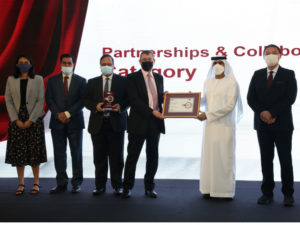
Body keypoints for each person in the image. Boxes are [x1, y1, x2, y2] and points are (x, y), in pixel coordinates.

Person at [247, 44, 297, 207]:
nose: (271, 55)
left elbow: (290, 98)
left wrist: (272, 113)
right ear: (263, 56)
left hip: (282, 124)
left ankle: (288, 194)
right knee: (266, 160)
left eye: (274, 53)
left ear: (281, 56)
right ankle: (267, 193)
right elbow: (251, 98)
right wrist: (263, 113)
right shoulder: (258, 74)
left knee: (285, 159)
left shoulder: (288, 74)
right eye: (267, 53)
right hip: (262, 125)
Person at [197, 56, 243, 199]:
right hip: (210, 126)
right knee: (210, 156)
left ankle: (224, 191)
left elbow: (229, 106)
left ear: (226, 65)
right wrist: (190, 102)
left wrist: (208, 115)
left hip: (225, 126)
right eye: (215, 63)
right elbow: (205, 100)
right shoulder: (208, 82)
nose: (217, 65)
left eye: (220, 62)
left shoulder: (232, 82)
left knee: (224, 157)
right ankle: (208, 188)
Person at [83, 54, 128, 196]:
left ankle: (117, 185)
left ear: (114, 65)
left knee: (117, 158)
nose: (106, 66)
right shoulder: (92, 82)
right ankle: (99, 186)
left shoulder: (123, 81)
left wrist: (121, 106)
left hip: (116, 124)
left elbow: (129, 99)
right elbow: (86, 100)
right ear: (100, 65)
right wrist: (95, 106)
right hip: (98, 124)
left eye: (109, 63)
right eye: (104, 63)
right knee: (99, 158)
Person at [122, 50, 165, 198]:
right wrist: (151, 111)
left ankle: (149, 187)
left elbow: (158, 98)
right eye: (144, 59)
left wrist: (168, 98)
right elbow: (134, 100)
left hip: (155, 123)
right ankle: (127, 187)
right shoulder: (132, 77)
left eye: (150, 59)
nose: (148, 61)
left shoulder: (159, 77)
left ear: (154, 61)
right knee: (132, 156)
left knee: (152, 156)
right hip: (137, 122)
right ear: (139, 61)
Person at [5, 55, 47, 195]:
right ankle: (21, 183)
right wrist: (15, 119)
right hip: (16, 118)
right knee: (19, 153)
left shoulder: (38, 79)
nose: (23, 64)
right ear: (17, 65)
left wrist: (30, 120)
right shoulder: (11, 80)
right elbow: (8, 100)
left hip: (34, 119)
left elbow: (40, 100)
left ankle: (36, 183)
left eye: (26, 62)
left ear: (31, 64)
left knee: (34, 151)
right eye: (20, 62)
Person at [46, 54, 86, 194]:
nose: (67, 65)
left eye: (70, 63)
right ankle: (61, 183)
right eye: (65, 63)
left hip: (75, 122)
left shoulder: (81, 81)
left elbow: (82, 101)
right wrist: (59, 115)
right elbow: (49, 100)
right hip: (57, 123)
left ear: (73, 64)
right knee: (59, 154)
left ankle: (76, 183)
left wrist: (67, 114)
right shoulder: (52, 81)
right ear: (60, 64)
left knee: (76, 153)